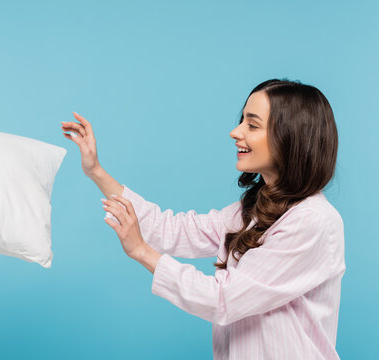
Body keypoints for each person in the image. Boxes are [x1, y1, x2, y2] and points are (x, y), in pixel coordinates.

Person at [60, 78, 345, 360]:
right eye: (242, 120)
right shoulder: (251, 211)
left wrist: (141, 252)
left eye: (252, 125)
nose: (235, 132)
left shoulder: (312, 221)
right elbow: (171, 230)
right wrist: (96, 171)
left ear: (290, 137)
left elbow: (224, 299)